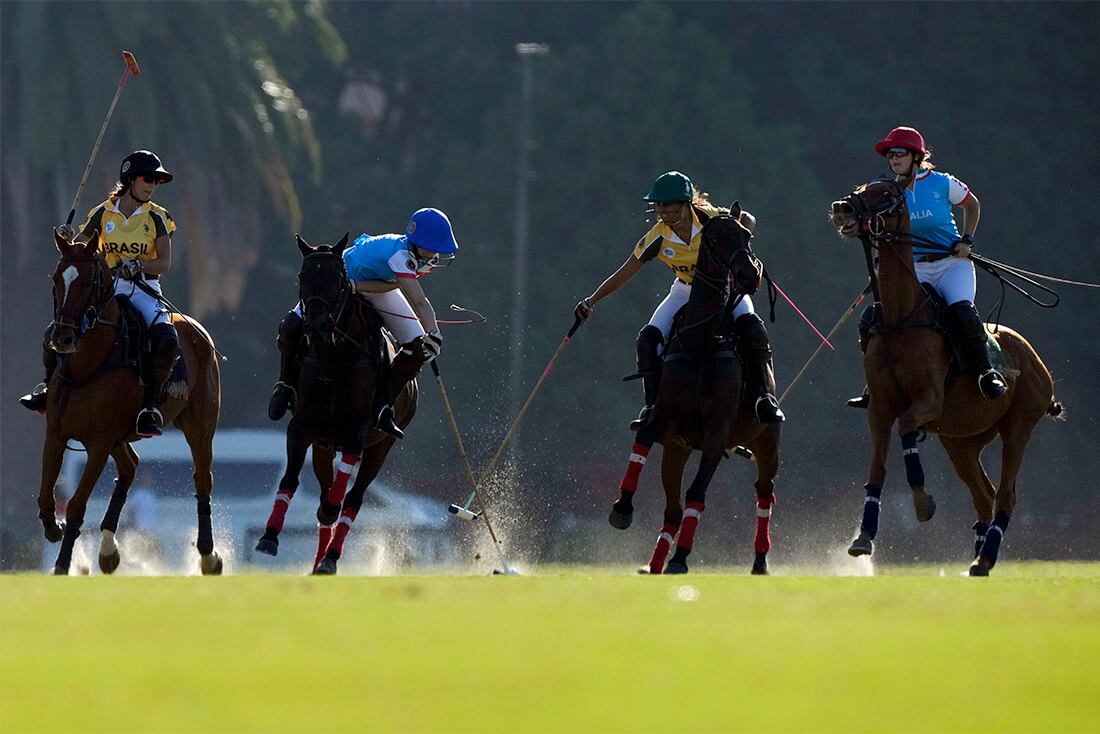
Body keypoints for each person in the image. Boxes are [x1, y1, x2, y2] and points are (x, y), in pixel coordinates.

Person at [573, 171, 783, 430]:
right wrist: (591, 301)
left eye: (670, 205)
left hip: (724, 290)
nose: (664, 212)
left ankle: (764, 397)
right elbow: (625, 272)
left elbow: (747, 219)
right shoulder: (658, 236)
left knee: (753, 329)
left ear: (686, 204)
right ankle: (651, 407)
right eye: (659, 205)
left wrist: (741, 244)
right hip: (684, 290)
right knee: (647, 340)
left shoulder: (711, 218)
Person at [20, 150, 180, 437]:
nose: (152, 185)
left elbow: (164, 263)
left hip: (144, 289)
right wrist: (69, 239)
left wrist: (138, 265)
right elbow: (79, 249)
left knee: (167, 339)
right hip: (108, 288)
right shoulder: (102, 213)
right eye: (148, 178)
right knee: (57, 330)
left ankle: (150, 407)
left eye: (157, 181)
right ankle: (47, 388)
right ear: (129, 178)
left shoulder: (158, 217)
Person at [845, 126, 1007, 408]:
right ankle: (875, 382)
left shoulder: (942, 183)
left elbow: (973, 205)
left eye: (900, 153)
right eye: (890, 155)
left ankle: (985, 373)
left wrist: (966, 240)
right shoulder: (887, 191)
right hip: (914, 269)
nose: (894, 159)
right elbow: (870, 222)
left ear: (916, 157)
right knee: (873, 317)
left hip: (951, 265)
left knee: (962, 312)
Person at [268, 208, 458, 439]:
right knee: (290, 326)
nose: (437, 252)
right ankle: (285, 386)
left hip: (372, 284)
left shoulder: (422, 256)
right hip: (340, 281)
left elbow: (395, 286)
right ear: (418, 243)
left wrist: (430, 337)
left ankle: (382, 407)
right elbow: (418, 301)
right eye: (434, 246)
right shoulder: (401, 256)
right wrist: (435, 333)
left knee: (417, 349)